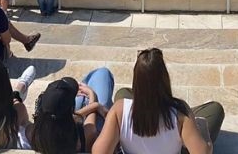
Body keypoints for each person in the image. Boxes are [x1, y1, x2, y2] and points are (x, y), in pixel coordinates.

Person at [92, 48, 223, 154]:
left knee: (122, 93)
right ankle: (192, 124)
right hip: (175, 125)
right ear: (164, 78)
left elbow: (99, 151)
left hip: (138, 115)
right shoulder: (180, 112)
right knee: (215, 110)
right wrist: (204, 133)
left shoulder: (119, 110)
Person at [30, 70, 115, 154]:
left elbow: (61, 117)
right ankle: (86, 83)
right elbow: (91, 124)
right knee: (103, 73)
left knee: (81, 97)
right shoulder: (80, 138)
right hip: (90, 138)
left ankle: (84, 86)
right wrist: (93, 96)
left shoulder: (37, 132)